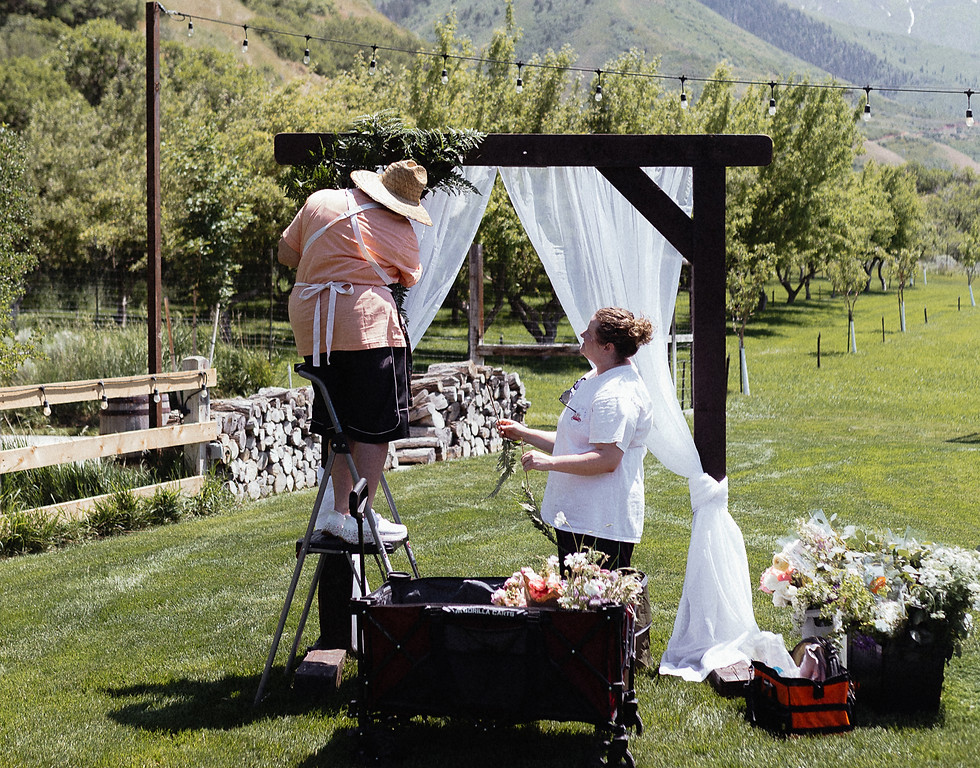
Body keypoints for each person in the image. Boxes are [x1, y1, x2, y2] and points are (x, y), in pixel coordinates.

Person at [278, 159, 431, 545]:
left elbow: (286, 253)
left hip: (313, 328)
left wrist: (329, 260)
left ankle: (336, 510)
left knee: (336, 419)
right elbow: (407, 276)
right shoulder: (399, 229)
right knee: (376, 425)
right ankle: (358, 516)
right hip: (366, 327)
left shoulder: (321, 200)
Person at [497, 307, 655, 570]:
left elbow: (607, 459)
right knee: (575, 603)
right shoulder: (597, 375)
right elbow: (574, 442)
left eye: (589, 333)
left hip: (601, 525)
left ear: (608, 347)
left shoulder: (617, 395)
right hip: (579, 519)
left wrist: (548, 463)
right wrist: (524, 433)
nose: (582, 333)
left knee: (599, 604)